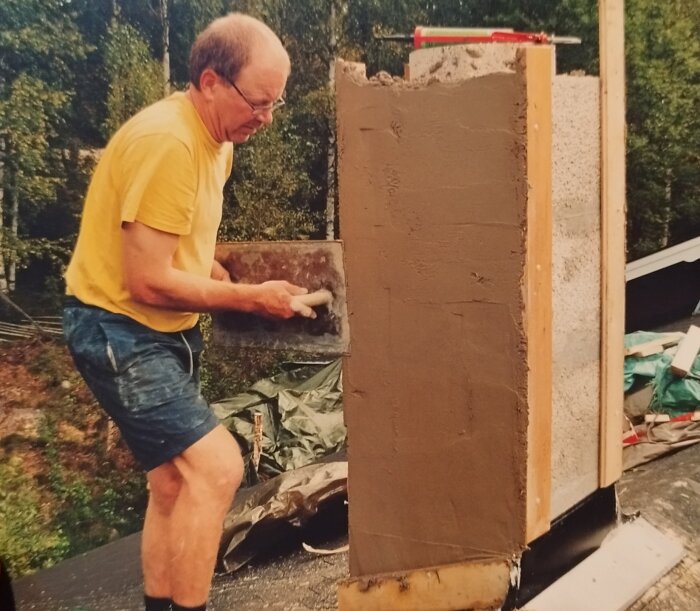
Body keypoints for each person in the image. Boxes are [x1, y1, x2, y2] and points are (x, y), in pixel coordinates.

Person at [62, 13, 313, 611]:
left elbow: (174, 245)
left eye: (276, 104)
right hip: (117, 328)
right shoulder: (168, 142)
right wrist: (249, 298)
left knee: (171, 484)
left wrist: (215, 272)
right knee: (219, 468)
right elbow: (146, 279)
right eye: (258, 102)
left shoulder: (216, 141)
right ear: (209, 82)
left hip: (160, 330)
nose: (267, 118)